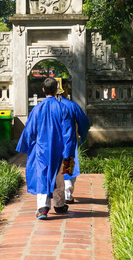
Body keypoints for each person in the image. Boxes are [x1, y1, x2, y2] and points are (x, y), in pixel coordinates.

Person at [16, 77, 73, 220]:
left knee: (42, 175)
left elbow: (29, 130)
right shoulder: (63, 108)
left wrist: (25, 146)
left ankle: (42, 208)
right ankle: (59, 205)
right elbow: (68, 132)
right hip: (59, 150)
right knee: (60, 175)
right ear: (56, 90)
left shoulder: (37, 109)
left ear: (43, 90)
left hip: (41, 149)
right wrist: (69, 152)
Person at [56, 79, 89, 204]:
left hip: (52, 142)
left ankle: (52, 195)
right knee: (68, 164)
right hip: (68, 140)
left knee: (54, 167)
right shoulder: (71, 105)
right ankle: (68, 194)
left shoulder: (46, 105)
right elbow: (84, 122)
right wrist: (81, 133)